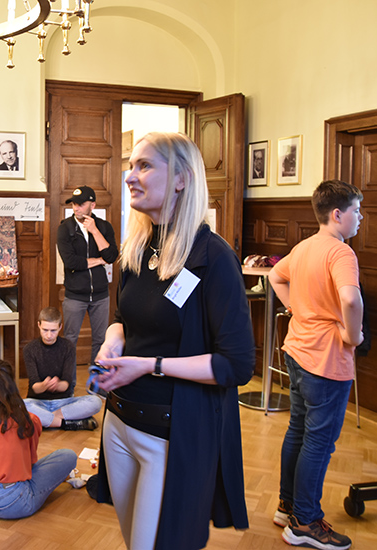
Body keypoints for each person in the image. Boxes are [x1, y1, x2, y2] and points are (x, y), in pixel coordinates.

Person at [93, 132, 255, 549]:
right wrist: (114, 338)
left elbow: (235, 365)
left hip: (171, 433)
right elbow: (122, 318)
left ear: (182, 178)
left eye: (144, 166)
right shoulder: (137, 247)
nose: (130, 176)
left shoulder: (213, 257)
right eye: (131, 165)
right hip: (119, 425)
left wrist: (151, 365)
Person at [269, 179, 364, 550]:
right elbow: (351, 301)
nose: (359, 218)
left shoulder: (305, 246)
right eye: (356, 210)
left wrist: (297, 308)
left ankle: (286, 505)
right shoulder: (341, 253)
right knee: (319, 442)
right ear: (337, 214)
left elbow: (276, 275)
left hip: (296, 351)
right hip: (325, 360)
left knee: (298, 430)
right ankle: (304, 522)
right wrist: (353, 337)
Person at [0, 359, 79, 519]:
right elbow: (30, 463)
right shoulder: (26, 420)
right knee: (67, 456)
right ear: (12, 386)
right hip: (14, 502)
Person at [57, 185, 119, 364]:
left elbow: (111, 256)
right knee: (70, 341)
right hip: (75, 296)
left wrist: (94, 231)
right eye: (74, 204)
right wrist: (99, 261)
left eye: (81, 204)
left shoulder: (104, 227)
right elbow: (71, 263)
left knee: (100, 342)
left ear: (92, 205)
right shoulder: (65, 228)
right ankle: (68, 386)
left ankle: (95, 388)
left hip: (100, 295)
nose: (76, 208)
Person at [23, 307, 103, 430]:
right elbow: (35, 387)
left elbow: (67, 383)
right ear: (38, 325)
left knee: (95, 402)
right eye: (45, 330)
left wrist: (58, 384)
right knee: (22, 405)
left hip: (63, 402)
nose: (49, 335)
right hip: (38, 402)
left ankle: (45, 420)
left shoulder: (68, 347)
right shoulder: (30, 349)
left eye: (53, 330)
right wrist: (45, 385)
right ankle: (66, 423)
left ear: (60, 327)